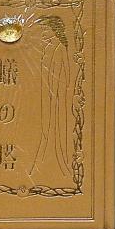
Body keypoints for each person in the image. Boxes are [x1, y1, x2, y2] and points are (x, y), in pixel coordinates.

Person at [30, 15, 72, 179]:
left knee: (55, 125)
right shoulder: (47, 48)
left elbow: (67, 76)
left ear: (54, 30)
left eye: (45, 30)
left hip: (57, 96)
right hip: (46, 95)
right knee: (46, 125)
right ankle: (43, 159)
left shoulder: (60, 48)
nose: (42, 34)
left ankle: (56, 161)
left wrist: (58, 91)